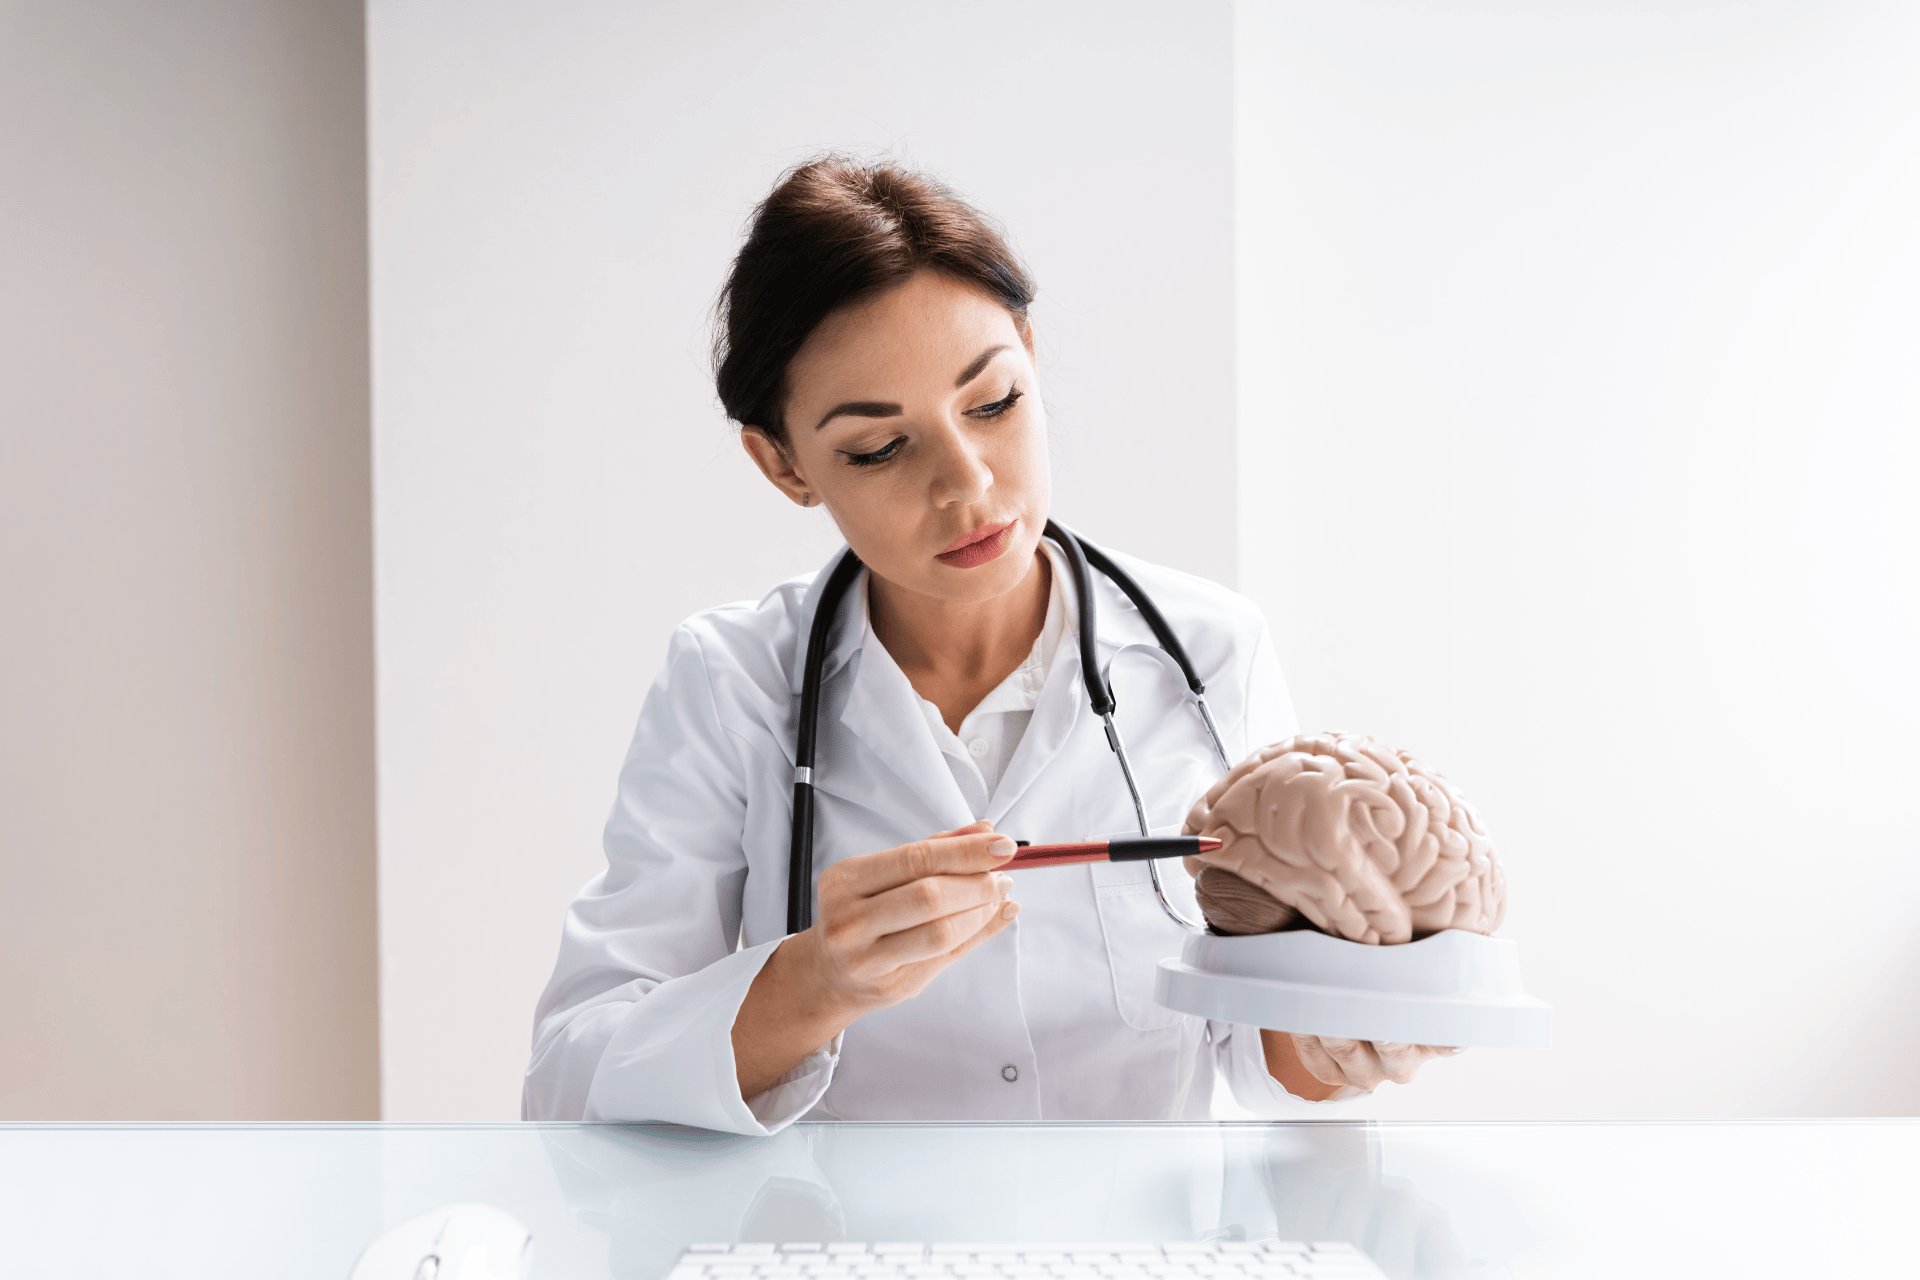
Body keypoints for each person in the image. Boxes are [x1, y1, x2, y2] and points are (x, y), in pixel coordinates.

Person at [523, 156, 1450, 1131]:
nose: (967, 484)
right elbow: (569, 1078)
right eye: (878, 447)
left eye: (994, 402)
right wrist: (816, 979)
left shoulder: (1210, 650)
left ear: (1032, 356)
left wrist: (1349, 1032)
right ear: (783, 462)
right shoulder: (730, 682)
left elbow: (1255, 1057)